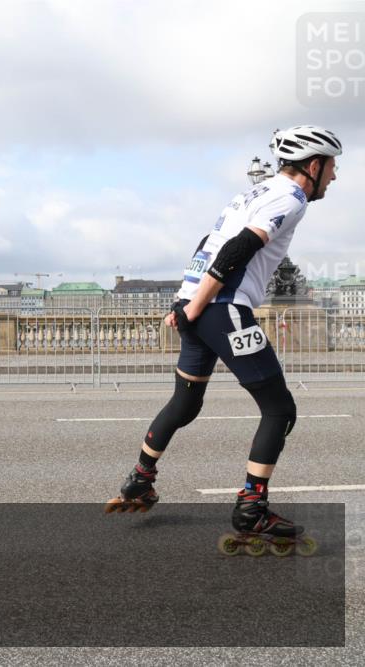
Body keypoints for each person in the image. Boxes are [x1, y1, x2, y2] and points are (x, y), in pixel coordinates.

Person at [106, 126, 342, 540]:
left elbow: (207, 242)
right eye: (333, 167)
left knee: (186, 401)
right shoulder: (291, 197)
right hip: (222, 308)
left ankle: (140, 478)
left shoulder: (251, 193)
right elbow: (239, 248)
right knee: (279, 409)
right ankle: (252, 507)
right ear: (314, 165)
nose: (335, 177)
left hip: (198, 303)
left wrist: (185, 300)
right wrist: (198, 305)